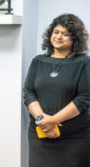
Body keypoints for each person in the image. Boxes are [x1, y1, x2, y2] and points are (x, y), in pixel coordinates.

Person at [23, 14, 90, 167]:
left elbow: (84, 98)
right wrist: (42, 121)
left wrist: (54, 120)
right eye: (56, 32)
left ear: (75, 39)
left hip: (74, 138)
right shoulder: (38, 61)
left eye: (65, 34)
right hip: (39, 134)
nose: (59, 37)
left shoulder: (83, 63)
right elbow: (28, 92)